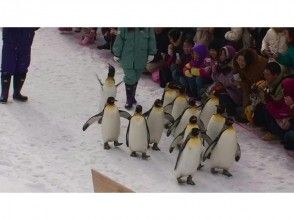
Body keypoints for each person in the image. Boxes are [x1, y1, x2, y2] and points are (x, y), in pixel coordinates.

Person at [112, 28, 156, 109]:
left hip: (141, 57)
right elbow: (119, 38)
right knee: (130, 77)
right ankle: (129, 100)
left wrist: (151, 52)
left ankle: (132, 97)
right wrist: (116, 52)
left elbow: (151, 39)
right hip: (127, 56)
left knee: (136, 77)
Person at [0, 28, 38, 103]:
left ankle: (17, 93)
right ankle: (4, 94)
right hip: (10, 33)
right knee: (7, 63)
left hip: (26, 34)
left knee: (22, 65)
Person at [211, 45, 243, 121]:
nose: (221, 56)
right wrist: (214, 72)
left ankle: (229, 113)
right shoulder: (221, 66)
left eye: (223, 55)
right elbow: (216, 80)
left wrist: (220, 76)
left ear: (229, 56)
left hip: (234, 95)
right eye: (221, 54)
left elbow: (234, 85)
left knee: (220, 92)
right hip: (227, 91)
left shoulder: (235, 69)